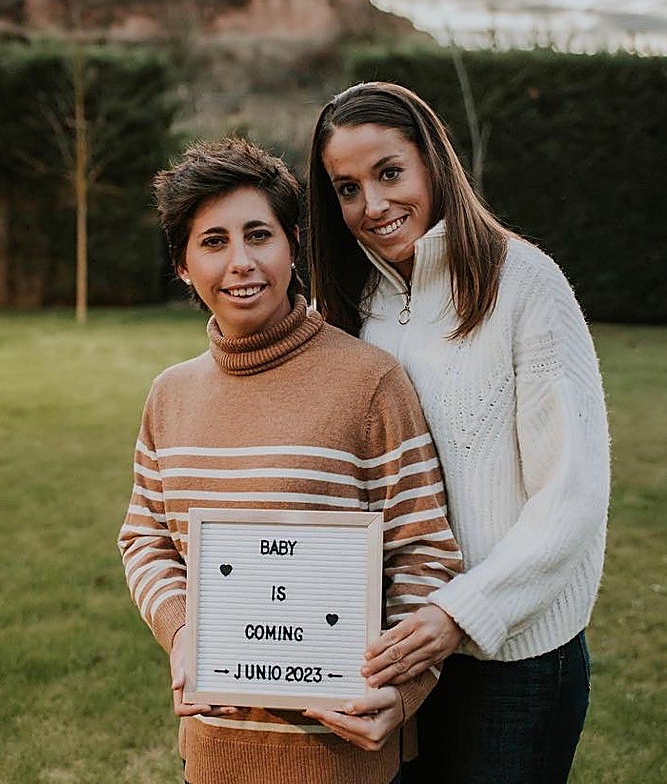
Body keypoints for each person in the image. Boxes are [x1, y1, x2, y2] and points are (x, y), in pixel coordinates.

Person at [118, 137, 463, 784]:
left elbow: (427, 555)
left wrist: (402, 690)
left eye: (258, 235)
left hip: (347, 758)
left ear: (294, 244)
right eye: (213, 242)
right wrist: (182, 632)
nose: (241, 262)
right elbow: (146, 540)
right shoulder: (170, 396)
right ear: (184, 266)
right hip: (216, 754)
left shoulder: (370, 384)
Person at [306, 82, 611, 784]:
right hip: (400, 656)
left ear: (433, 163)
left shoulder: (524, 285)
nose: (373, 205)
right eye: (347, 189)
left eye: (389, 173)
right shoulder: (352, 306)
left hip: (513, 665)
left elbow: (571, 495)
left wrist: (459, 613)